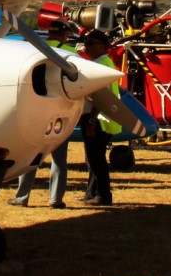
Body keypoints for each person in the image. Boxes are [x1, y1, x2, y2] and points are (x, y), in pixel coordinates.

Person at [12, 22, 78, 208]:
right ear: (65, 35)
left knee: (30, 157)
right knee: (59, 160)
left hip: (37, 109)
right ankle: (55, 199)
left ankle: (21, 197)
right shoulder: (71, 53)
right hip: (62, 110)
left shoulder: (33, 50)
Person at [79, 29, 118, 206]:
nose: (86, 47)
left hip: (99, 120)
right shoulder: (101, 62)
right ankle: (91, 193)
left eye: (90, 43)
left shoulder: (102, 65)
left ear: (102, 46)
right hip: (98, 118)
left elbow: (102, 97)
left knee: (96, 159)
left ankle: (103, 195)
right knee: (92, 159)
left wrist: (92, 121)